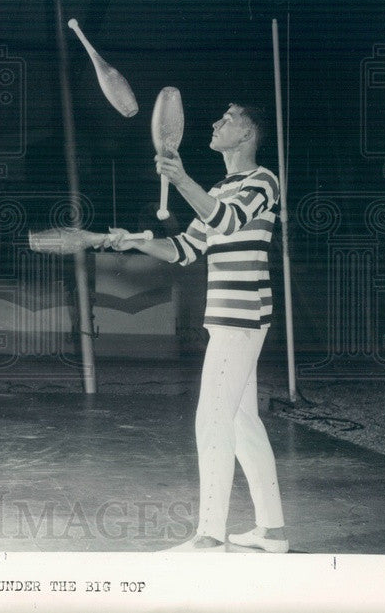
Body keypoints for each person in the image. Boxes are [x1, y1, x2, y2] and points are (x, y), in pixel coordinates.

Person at [106, 103, 288, 553]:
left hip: (243, 316)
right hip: (227, 318)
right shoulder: (219, 188)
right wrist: (138, 243)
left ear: (248, 134)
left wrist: (180, 177)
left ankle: (208, 535)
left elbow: (226, 220)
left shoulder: (262, 181)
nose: (214, 122)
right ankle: (272, 531)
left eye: (226, 118)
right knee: (242, 421)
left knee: (211, 421)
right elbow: (187, 248)